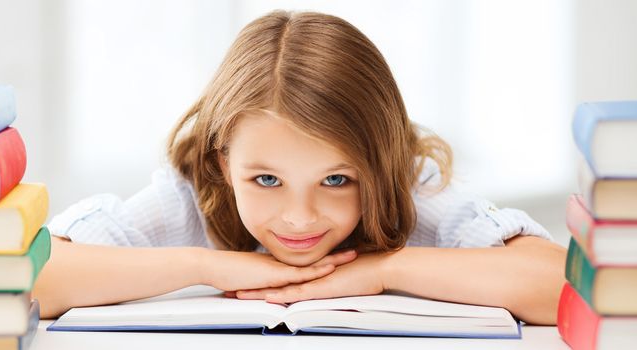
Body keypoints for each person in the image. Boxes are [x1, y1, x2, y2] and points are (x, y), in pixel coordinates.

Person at [33, 10, 566, 325]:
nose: (299, 218)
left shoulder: (406, 193)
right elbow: (33, 276)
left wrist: (383, 270)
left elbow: (562, 282)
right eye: (266, 180)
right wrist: (208, 266)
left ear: (377, 167)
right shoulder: (194, 195)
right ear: (224, 162)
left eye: (336, 180)